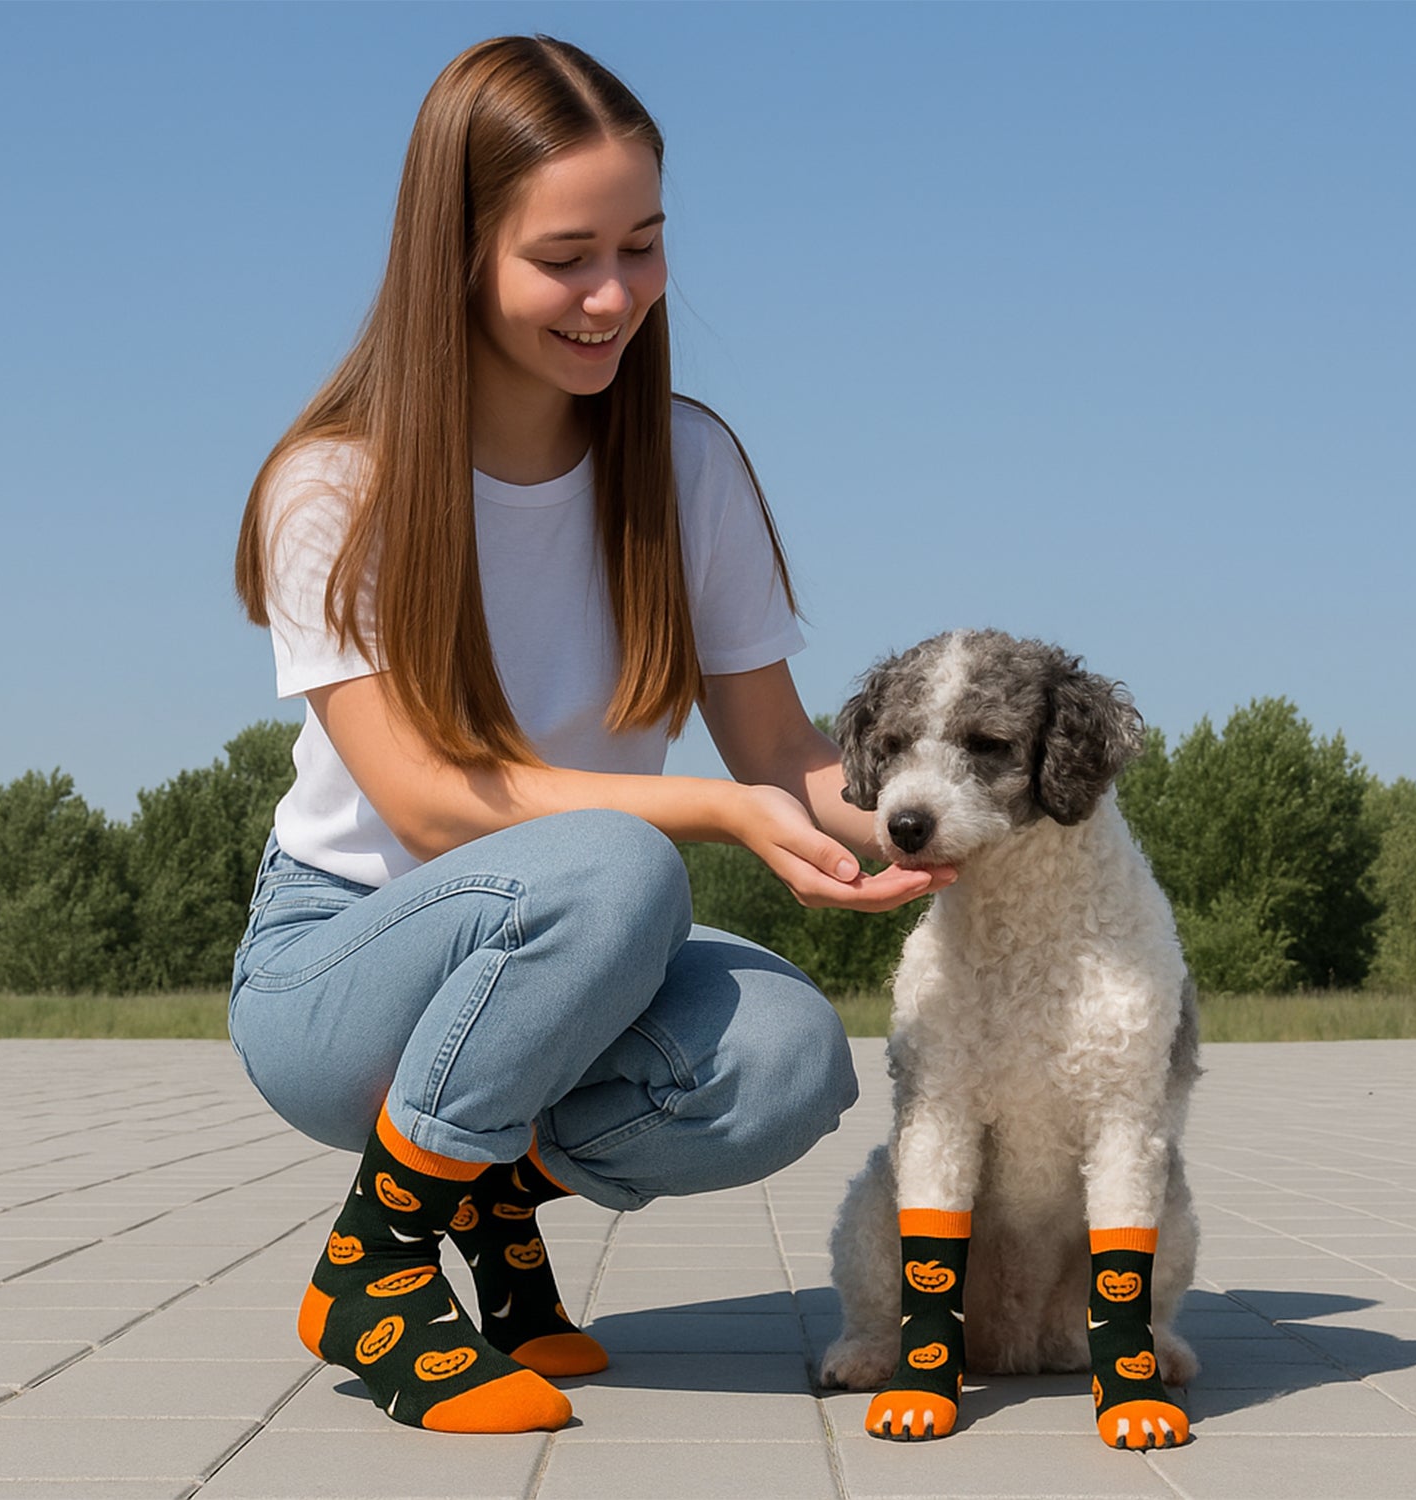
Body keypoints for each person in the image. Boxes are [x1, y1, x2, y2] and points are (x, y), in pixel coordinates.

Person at [229, 34, 952, 1436]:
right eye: (567, 255)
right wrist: (716, 818)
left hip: (574, 955)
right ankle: (373, 1272)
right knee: (621, 863)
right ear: (456, 252)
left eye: (644, 243)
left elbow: (785, 753)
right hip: (337, 966)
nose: (614, 293)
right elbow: (434, 808)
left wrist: (950, 828)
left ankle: (474, 1193)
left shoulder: (687, 465)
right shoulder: (333, 485)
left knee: (792, 1056)